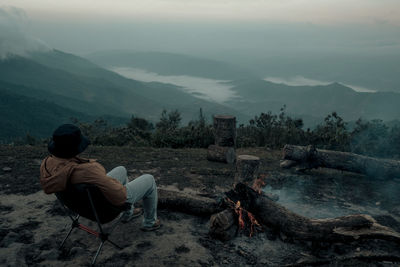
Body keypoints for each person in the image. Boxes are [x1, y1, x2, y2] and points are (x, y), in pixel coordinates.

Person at [39, 124, 160, 231]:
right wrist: (122, 196)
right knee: (149, 179)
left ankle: (128, 214)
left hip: (83, 207)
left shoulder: (47, 164)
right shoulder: (87, 171)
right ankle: (150, 222)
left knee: (121, 170)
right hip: (105, 210)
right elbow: (117, 193)